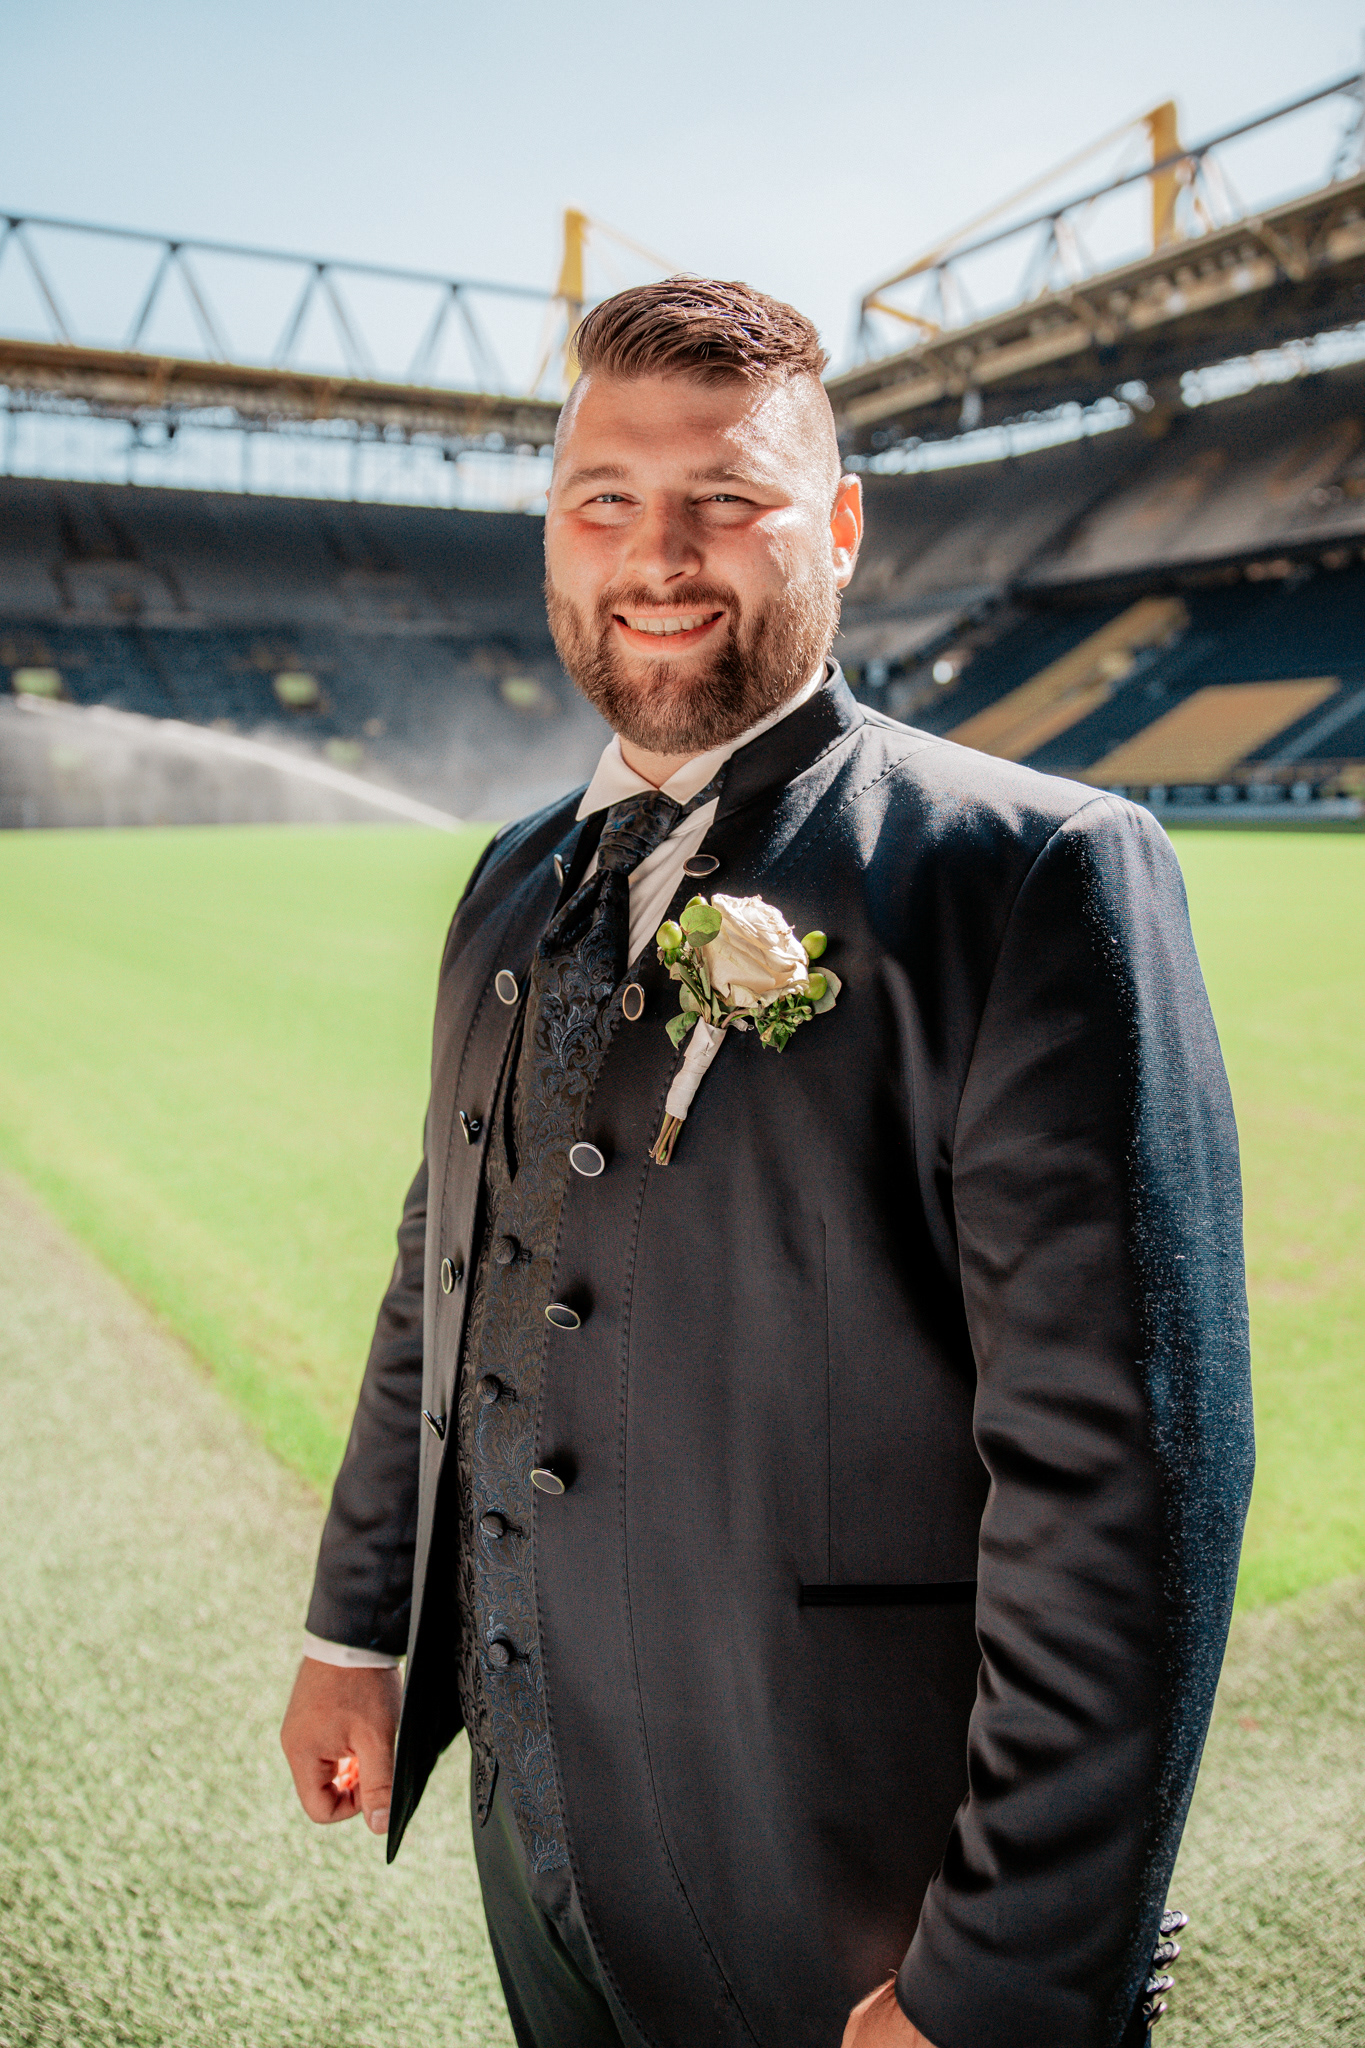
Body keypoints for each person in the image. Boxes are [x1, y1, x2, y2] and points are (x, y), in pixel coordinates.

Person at [280, 278, 1253, 2048]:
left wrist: (1000, 1985)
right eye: (604, 503)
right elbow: (452, 1259)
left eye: (725, 500)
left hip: (849, 1897)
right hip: (540, 1842)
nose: (658, 555)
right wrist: (361, 1629)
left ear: (841, 525)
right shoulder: (506, 881)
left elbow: (1126, 1492)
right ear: (553, 537)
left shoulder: (1030, 875)